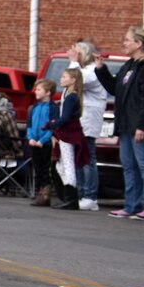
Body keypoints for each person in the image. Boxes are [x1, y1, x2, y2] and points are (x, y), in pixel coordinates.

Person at [96, 27, 144, 220]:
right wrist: (101, 69)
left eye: (127, 40)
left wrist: (143, 125)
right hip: (125, 125)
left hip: (139, 125)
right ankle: (132, 204)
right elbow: (115, 88)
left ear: (139, 43)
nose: (124, 43)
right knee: (129, 166)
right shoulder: (130, 66)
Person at [68, 41, 106, 210]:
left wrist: (74, 62)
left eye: (77, 53)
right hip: (80, 119)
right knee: (79, 157)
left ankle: (90, 196)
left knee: (88, 157)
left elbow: (75, 80)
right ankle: (81, 192)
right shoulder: (84, 70)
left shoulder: (92, 72)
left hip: (89, 119)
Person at [47, 68, 89, 210]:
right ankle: (68, 195)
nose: (61, 79)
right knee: (61, 164)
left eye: (65, 77)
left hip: (69, 133)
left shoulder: (72, 97)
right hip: (66, 132)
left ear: (73, 80)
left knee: (68, 164)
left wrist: (52, 125)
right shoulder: (68, 95)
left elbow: (65, 118)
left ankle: (71, 198)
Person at [26, 79, 56, 206]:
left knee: (45, 169)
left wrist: (43, 140)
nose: (35, 92)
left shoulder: (53, 108)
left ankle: (46, 193)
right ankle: (39, 192)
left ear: (48, 92)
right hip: (34, 142)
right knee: (37, 168)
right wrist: (31, 138)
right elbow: (30, 125)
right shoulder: (34, 107)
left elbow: (52, 127)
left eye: (39, 89)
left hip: (45, 143)